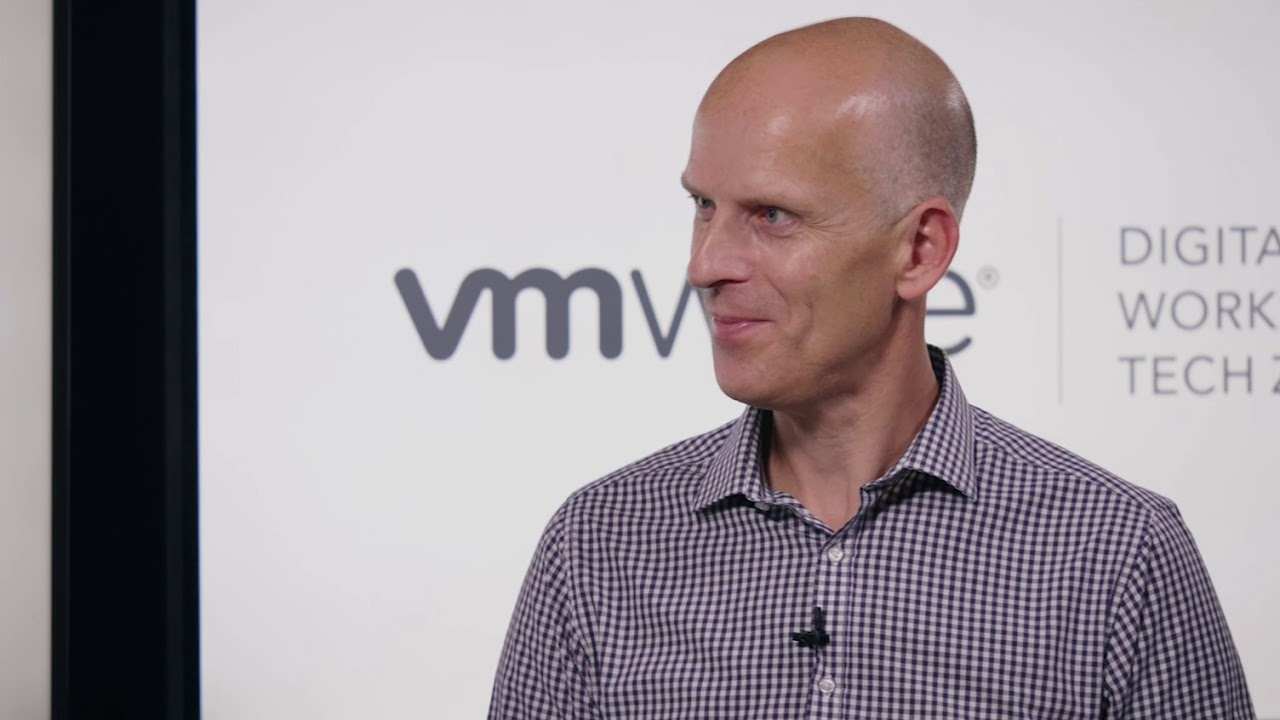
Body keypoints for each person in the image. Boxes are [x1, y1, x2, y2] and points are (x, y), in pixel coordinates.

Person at [489, 17, 1254, 719]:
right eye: (703, 207)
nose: (705, 264)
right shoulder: (598, 545)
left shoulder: (1118, 553)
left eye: (771, 215)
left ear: (919, 250)